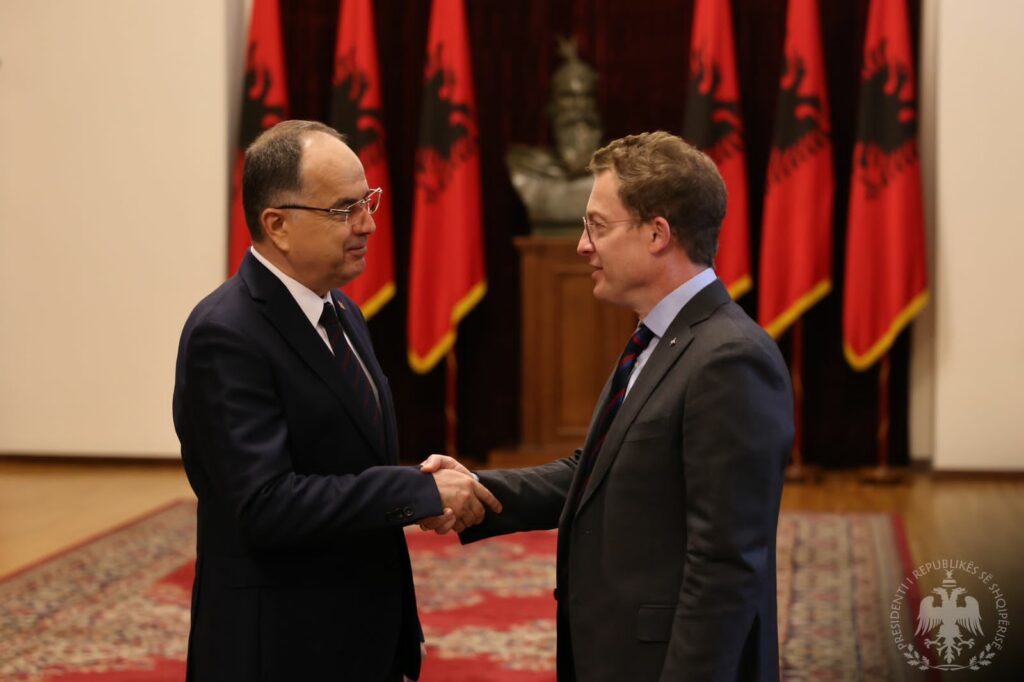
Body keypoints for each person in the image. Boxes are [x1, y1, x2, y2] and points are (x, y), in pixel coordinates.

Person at [422, 131, 793, 681]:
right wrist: (479, 489)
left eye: (597, 225)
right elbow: (599, 474)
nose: (582, 245)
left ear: (657, 234)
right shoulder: (659, 338)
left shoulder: (729, 360)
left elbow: (725, 569)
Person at [172, 119, 499, 682]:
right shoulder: (225, 334)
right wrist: (414, 491)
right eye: (344, 209)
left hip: (359, 632)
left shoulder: (341, 310)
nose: (368, 223)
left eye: (367, 201)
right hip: (279, 646)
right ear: (277, 225)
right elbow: (264, 505)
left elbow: (350, 461)